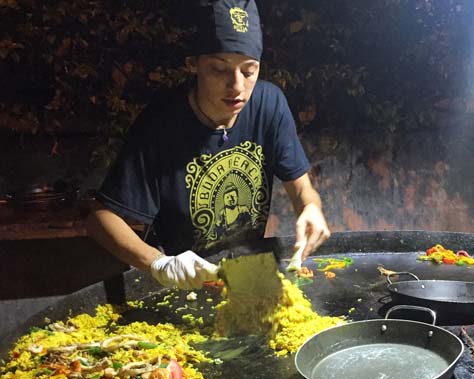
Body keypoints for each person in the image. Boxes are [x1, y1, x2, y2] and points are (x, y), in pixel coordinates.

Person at [85, 0, 330, 290]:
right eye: (218, 69)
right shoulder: (161, 122)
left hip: (249, 275)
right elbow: (100, 219)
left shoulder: (269, 104)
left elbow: (301, 188)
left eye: (249, 71)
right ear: (195, 65)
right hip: (188, 283)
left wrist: (310, 207)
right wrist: (158, 262)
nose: (237, 86)